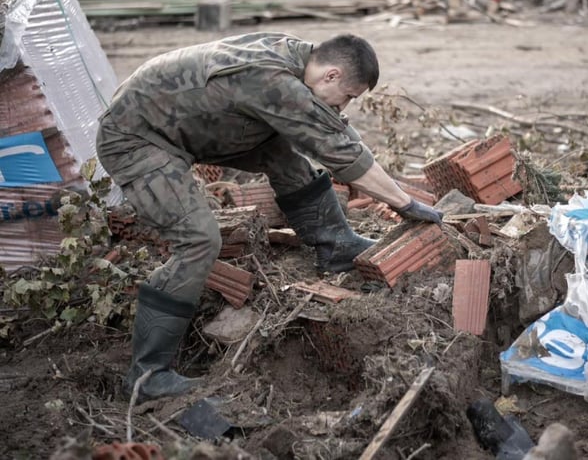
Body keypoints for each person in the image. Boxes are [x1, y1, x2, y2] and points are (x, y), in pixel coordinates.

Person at [96, 32, 443, 402]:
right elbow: (339, 152)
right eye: (348, 96)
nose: (345, 106)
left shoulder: (297, 58)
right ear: (331, 75)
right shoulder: (274, 80)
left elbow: (333, 128)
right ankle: (147, 375)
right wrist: (405, 203)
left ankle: (336, 247)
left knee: (286, 157)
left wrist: (390, 186)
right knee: (199, 240)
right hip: (136, 139)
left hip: (188, 126)